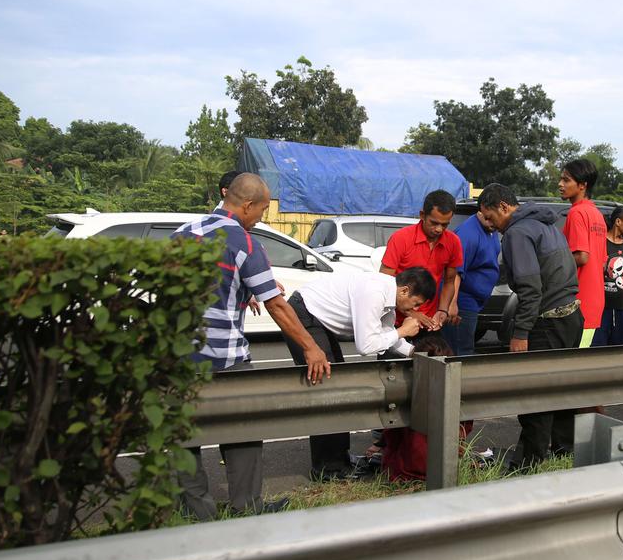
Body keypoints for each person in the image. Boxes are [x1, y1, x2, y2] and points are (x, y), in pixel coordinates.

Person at [172, 172, 329, 520]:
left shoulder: (184, 232)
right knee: (243, 428)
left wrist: (241, 293)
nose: (262, 216)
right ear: (246, 205)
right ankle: (246, 506)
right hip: (225, 358)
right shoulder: (242, 241)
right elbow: (276, 303)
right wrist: (310, 347)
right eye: (261, 209)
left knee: (184, 433)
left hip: (177, 354)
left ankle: (195, 511)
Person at [282, 266, 436, 480]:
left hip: (317, 319)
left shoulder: (388, 301)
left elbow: (386, 337)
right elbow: (366, 345)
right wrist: (402, 331)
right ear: (404, 291)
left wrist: (414, 352)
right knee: (329, 391)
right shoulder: (374, 292)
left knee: (338, 385)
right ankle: (329, 469)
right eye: (416, 303)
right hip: (304, 314)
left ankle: (339, 459)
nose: (415, 309)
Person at [477, 183, 583, 470]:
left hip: (546, 321)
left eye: (490, 217)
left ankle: (529, 465)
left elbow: (530, 287)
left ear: (503, 207)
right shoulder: (545, 225)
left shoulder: (517, 233)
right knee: (562, 392)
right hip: (571, 316)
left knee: (535, 394)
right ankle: (563, 456)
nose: (490, 226)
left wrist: (521, 332)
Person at [380, 335, 475, 482]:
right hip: (448, 470)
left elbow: (392, 435)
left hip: (403, 473)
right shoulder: (459, 392)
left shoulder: (403, 392)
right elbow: (464, 430)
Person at [381, 190, 464, 333]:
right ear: (422, 215)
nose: (439, 229)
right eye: (434, 223)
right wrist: (411, 313)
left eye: (445, 225)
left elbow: (449, 282)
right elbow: (383, 283)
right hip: (395, 322)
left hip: (430, 323)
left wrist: (443, 310)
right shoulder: (401, 238)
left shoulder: (453, 242)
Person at [559, 158, 607, 347]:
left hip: (578, 302)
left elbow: (581, 256)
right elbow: (602, 262)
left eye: (566, 180)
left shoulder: (576, 213)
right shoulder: (597, 215)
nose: (560, 184)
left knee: (571, 364)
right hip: (594, 300)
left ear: (582, 185)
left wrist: (551, 262)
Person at [442, 208, 501, 356]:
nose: (491, 221)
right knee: (460, 350)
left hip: (475, 301)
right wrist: (452, 303)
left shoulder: (491, 230)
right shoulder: (467, 233)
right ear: (481, 212)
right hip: (462, 301)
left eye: (494, 218)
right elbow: (455, 271)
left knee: (465, 346)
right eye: (487, 218)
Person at [593, 206, 623, 346]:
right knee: (598, 344)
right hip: (601, 307)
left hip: (622, 307)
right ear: (618, 222)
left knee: (622, 347)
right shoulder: (600, 242)